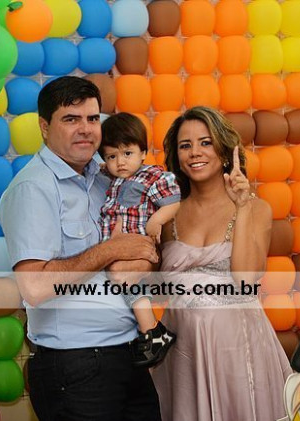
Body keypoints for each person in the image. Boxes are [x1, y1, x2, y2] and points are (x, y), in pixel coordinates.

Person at [0, 76, 161, 421]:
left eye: (92, 118)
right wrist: (110, 250)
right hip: (76, 366)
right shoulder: (33, 189)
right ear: (44, 127)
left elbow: (142, 249)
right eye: (71, 119)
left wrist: (143, 259)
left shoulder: (108, 180)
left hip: (130, 355)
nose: (86, 129)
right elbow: (35, 287)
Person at [151, 106, 292, 421]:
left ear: (226, 151)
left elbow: (245, 280)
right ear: (176, 157)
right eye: (185, 145)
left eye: (205, 142)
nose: (195, 152)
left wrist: (242, 207)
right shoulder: (166, 216)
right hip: (184, 355)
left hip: (239, 352)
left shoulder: (257, 209)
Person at [99, 112, 180, 367]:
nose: (120, 162)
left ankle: (152, 332)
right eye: (112, 156)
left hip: (134, 244)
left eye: (127, 153)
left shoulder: (151, 176)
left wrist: (156, 220)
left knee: (131, 287)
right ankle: (152, 332)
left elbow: (174, 201)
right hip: (116, 247)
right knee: (129, 289)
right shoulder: (115, 179)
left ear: (143, 152)